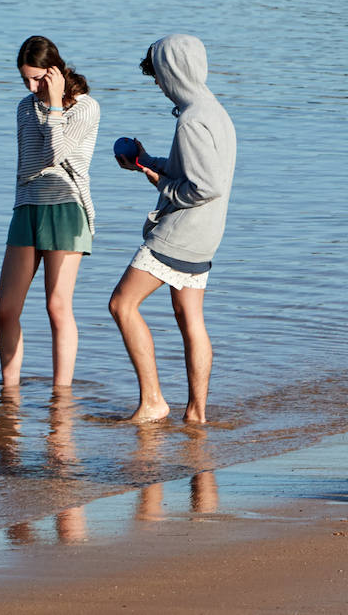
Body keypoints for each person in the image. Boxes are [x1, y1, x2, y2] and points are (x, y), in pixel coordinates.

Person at [109, 34, 236, 424]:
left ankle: (153, 402)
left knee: (122, 304)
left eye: (159, 75)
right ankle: (196, 414)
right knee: (190, 319)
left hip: (181, 231)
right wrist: (152, 162)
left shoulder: (192, 119)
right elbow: (200, 169)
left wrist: (160, 184)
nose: (158, 84)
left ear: (174, 71)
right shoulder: (213, 111)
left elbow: (204, 186)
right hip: (207, 235)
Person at [0, 35, 100, 388]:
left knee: (57, 306)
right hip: (26, 207)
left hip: (67, 207)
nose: (31, 86)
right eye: (25, 79)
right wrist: (46, 106)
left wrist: (55, 104)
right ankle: (9, 392)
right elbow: (28, 165)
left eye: (38, 78)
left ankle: (62, 393)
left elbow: (54, 153)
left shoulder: (86, 108)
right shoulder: (25, 107)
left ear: (55, 71)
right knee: (5, 309)